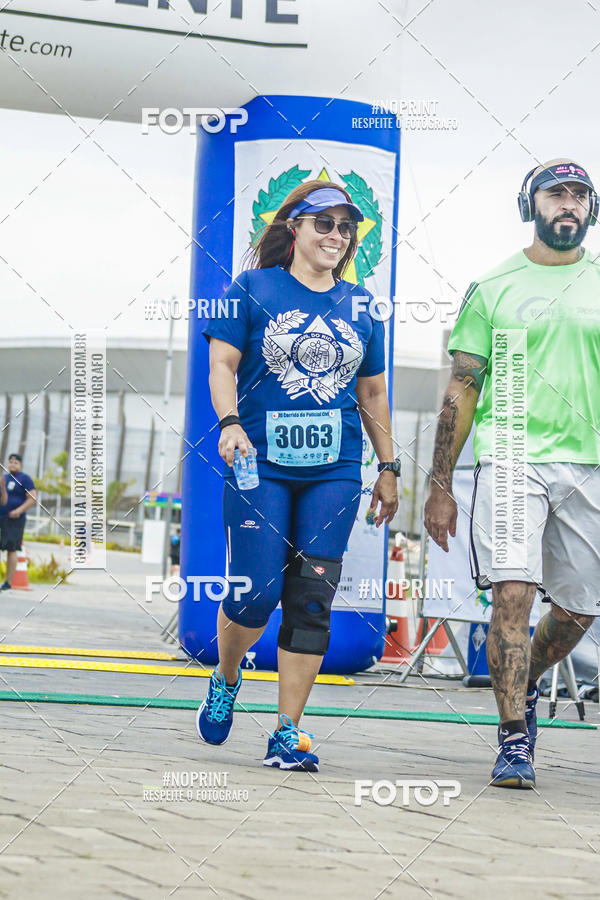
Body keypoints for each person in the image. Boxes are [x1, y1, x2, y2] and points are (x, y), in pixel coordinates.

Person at [196, 181, 399, 771]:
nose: (336, 235)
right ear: (295, 229)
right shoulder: (253, 289)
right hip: (259, 460)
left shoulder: (362, 305)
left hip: (335, 468)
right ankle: (227, 677)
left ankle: (287, 732)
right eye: (324, 223)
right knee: (257, 592)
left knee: (311, 598)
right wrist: (229, 423)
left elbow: (373, 391)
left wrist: (387, 467)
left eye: (345, 227)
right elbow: (222, 363)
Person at [425, 158, 600, 789]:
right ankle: (514, 741)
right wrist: (440, 483)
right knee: (513, 594)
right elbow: (463, 387)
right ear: (532, 205)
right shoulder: (494, 286)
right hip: (510, 454)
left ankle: (519, 682)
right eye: (558, 194)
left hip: (589, 460)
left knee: (579, 610)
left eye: (581, 196)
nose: (570, 205)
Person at [0, 453, 36, 590]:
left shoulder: (25, 479)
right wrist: (2, 488)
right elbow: (3, 501)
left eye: (16, 462)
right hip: (2, 517)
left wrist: (19, 511)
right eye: (10, 462)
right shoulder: (4, 478)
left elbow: (32, 498)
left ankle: (8, 582)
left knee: (11, 548)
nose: (12, 465)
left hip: (16, 520)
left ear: (20, 465)